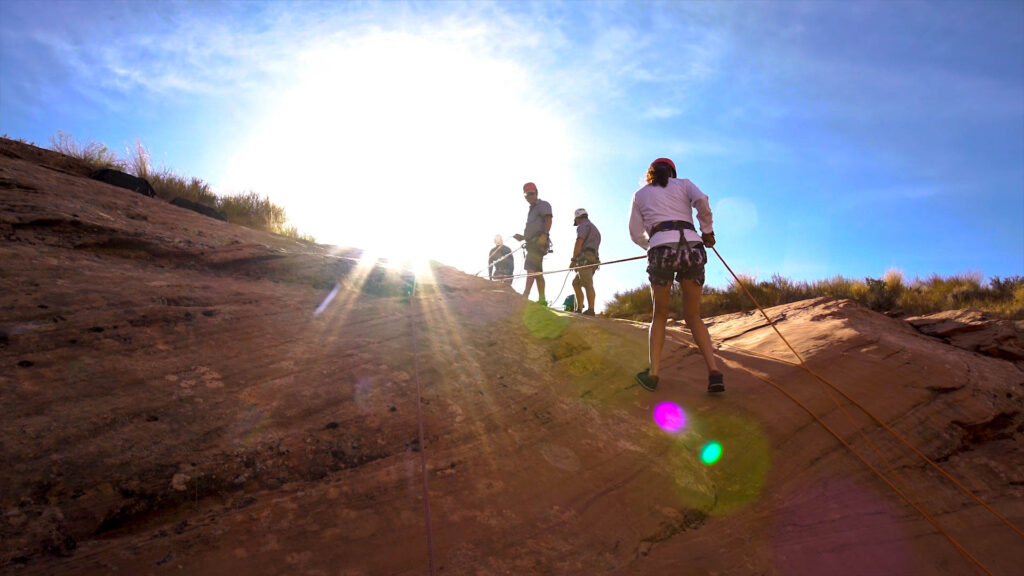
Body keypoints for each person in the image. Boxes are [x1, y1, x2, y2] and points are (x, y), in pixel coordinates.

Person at [628, 158, 724, 393]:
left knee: (659, 314)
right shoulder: (684, 184)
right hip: (692, 247)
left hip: (661, 251)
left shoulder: (640, 194)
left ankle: (653, 374)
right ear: (672, 172)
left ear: (650, 174)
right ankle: (713, 372)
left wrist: (652, 246)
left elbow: (634, 233)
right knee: (693, 315)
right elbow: (702, 200)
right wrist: (707, 231)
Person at [512, 182, 552, 305]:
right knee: (538, 272)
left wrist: (544, 235)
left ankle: (525, 295)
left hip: (538, 242)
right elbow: (535, 227)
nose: (529, 196)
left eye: (531, 193)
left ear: (536, 193)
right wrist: (523, 237)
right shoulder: (532, 210)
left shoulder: (543, 205)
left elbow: (548, 219)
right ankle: (542, 300)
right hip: (532, 242)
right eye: (526, 195)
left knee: (530, 268)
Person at [570, 208, 601, 315]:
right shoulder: (594, 228)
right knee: (576, 283)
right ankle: (578, 309)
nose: (577, 223)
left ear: (578, 218)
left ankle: (591, 310)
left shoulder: (583, 226)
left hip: (586, 258)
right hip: (593, 258)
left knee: (587, 284)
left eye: (577, 220)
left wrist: (573, 260)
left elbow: (579, 242)